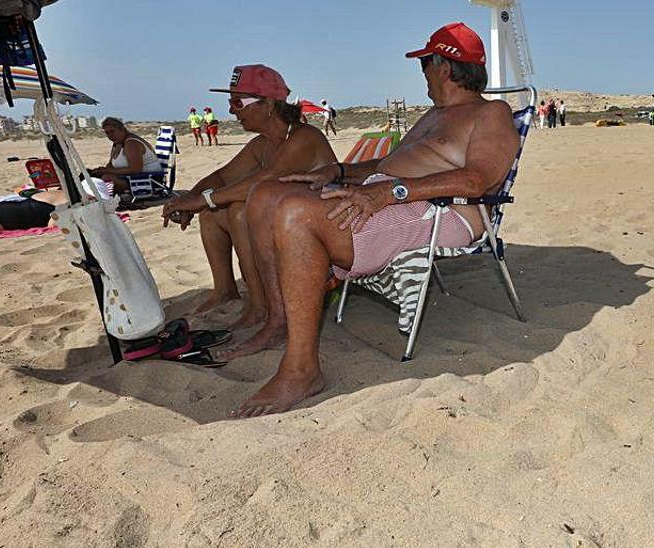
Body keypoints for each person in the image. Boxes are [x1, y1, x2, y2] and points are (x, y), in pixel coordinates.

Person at [208, 22, 520, 418]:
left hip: (443, 212)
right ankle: (276, 319)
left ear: (442, 66)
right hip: (392, 196)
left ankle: (302, 370)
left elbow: (479, 178)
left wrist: (389, 192)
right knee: (266, 194)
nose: (421, 72)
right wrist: (338, 173)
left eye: (424, 64)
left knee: (294, 213)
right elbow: (388, 164)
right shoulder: (433, 116)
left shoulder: (490, 113)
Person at [161, 65, 337, 326]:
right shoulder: (262, 144)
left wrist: (201, 199)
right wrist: (193, 199)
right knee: (213, 212)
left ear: (267, 104)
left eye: (237, 102)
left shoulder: (305, 137)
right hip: (290, 232)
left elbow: (264, 180)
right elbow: (222, 177)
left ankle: (260, 306)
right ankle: (225, 290)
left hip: (321, 242)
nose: (231, 110)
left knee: (239, 210)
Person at [87, 117, 164, 199]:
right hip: (131, 178)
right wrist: (99, 171)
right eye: (107, 133)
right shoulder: (117, 144)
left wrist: (106, 171)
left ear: (122, 129)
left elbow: (135, 169)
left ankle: (106, 200)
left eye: (112, 131)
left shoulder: (131, 143)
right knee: (88, 175)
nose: (110, 135)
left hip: (147, 180)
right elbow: (111, 165)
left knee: (106, 178)